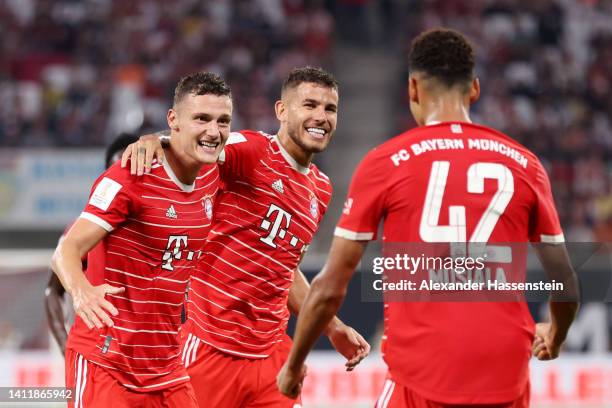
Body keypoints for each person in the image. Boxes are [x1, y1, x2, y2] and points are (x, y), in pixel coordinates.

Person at [277, 28, 580, 407]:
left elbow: (330, 287)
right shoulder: (525, 164)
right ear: (475, 90)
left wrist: (293, 364)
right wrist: (556, 336)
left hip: (422, 373)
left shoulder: (386, 162)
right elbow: (566, 285)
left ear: (413, 90)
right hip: (505, 371)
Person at [124, 66, 370, 407]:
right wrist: (157, 140)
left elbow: (286, 272)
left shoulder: (321, 189)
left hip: (272, 358)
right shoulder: (252, 151)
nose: (321, 116)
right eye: (309, 105)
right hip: (211, 351)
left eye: (330, 109)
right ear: (282, 111)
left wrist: (331, 326)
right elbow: (200, 145)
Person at [51, 71, 232, 407]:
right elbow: (66, 251)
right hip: (107, 363)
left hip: (165, 367)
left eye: (223, 121)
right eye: (202, 118)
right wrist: (82, 292)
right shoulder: (130, 174)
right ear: (174, 119)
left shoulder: (216, 171)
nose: (214, 130)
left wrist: (156, 137)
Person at [45, 133, 138, 355]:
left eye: (130, 171)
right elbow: (52, 291)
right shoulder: (84, 229)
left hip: (151, 353)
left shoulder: (164, 226)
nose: (123, 182)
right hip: (99, 352)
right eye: (117, 172)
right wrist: (64, 346)